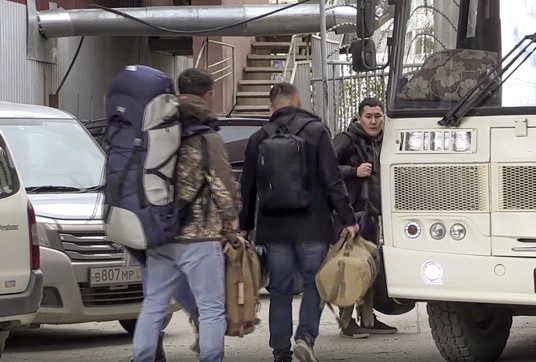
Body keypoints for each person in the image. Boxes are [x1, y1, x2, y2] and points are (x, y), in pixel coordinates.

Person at [239, 82, 358, 362]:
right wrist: (347, 218)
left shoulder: (259, 137)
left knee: (279, 289)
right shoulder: (317, 132)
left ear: (272, 106)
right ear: (298, 99)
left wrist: (245, 224)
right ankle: (305, 338)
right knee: (313, 284)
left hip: (274, 228)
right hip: (313, 225)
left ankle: (280, 351)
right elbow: (332, 179)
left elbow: (248, 186)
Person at [132, 68, 240, 362]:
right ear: (208, 94)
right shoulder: (206, 135)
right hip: (199, 235)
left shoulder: (156, 125)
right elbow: (221, 183)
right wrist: (232, 218)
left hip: (159, 231)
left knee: (154, 303)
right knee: (210, 307)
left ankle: (141, 358)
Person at [332, 97, 398, 338]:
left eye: (377, 116)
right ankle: (346, 320)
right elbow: (325, 167)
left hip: (375, 215)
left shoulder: (385, 140)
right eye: (368, 116)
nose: (373, 121)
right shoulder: (346, 140)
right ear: (359, 118)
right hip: (352, 216)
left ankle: (368, 318)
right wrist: (353, 171)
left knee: (370, 267)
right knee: (350, 268)